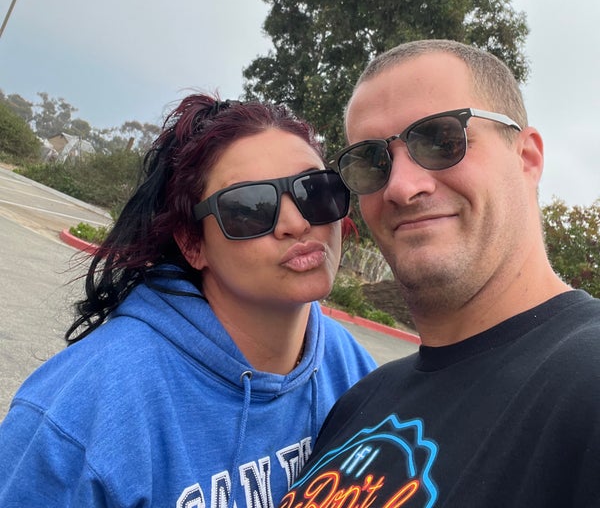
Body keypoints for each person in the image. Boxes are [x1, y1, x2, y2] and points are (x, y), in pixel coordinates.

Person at [0, 95, 376, 507]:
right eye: (249, 208)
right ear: (193, 244)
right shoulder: (79, 419)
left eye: (315, 192)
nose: (297, 223)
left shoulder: (352, 369)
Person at [279, 39, 600, 508]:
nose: (401, 187)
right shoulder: (361, 401)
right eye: (372, 162)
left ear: (526, 157)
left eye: (442, 140)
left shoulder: (586, 381)